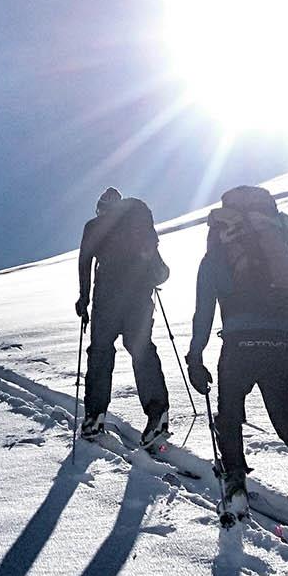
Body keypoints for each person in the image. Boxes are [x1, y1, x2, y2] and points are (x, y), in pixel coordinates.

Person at [184, 185, 288, 525]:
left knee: (229, 415)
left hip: (238, 344)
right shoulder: (275, 250)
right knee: (283, 418)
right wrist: (279, 335)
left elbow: (204, 313)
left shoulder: (216, 258)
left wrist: (195, 357)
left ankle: (235, 484)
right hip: (279, 342)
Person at [75, 186, 172, 447]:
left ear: (101, 208)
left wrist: (84, 298)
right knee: (140, 348)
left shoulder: (94, 226)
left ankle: (95, 416)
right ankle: (157, 412)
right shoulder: (138, 225)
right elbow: (160, 269)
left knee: (101, 352)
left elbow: (85, 262)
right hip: (139, 297)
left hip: (107, 299)